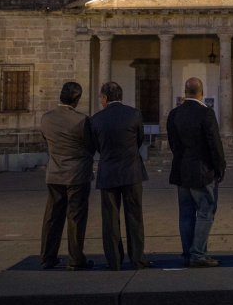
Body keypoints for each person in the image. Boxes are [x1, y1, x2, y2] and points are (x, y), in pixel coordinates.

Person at [90, 81, 151, 270]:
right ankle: (137, 258)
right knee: (134, 216)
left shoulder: (96, 119)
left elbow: (96, 145)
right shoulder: (134, 114)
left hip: (108, 172)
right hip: (132, 171)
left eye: (101, 97)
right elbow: (139, 140)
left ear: (105, 98)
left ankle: (114, 261)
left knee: (110, 218)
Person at [166, 77, 226, 268]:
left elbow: (173, 144)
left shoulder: (174, 114)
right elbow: (214, 145)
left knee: (185, 213)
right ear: (202, 92)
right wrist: (220, 167)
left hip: (181, 171)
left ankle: (188, 252)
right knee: (206, 211)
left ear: (185, 91)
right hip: (202, 172)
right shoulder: (206, 113)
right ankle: (198, 253)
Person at [38, 81, 95, 270]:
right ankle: (76, 258)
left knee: (52, 216)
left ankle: (47, 257)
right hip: (77, 174)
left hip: (54, 173)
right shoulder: (81, 120)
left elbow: (47, 141)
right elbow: (90, 145)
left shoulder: (46, 118)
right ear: (77, 99)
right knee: (76, 217)